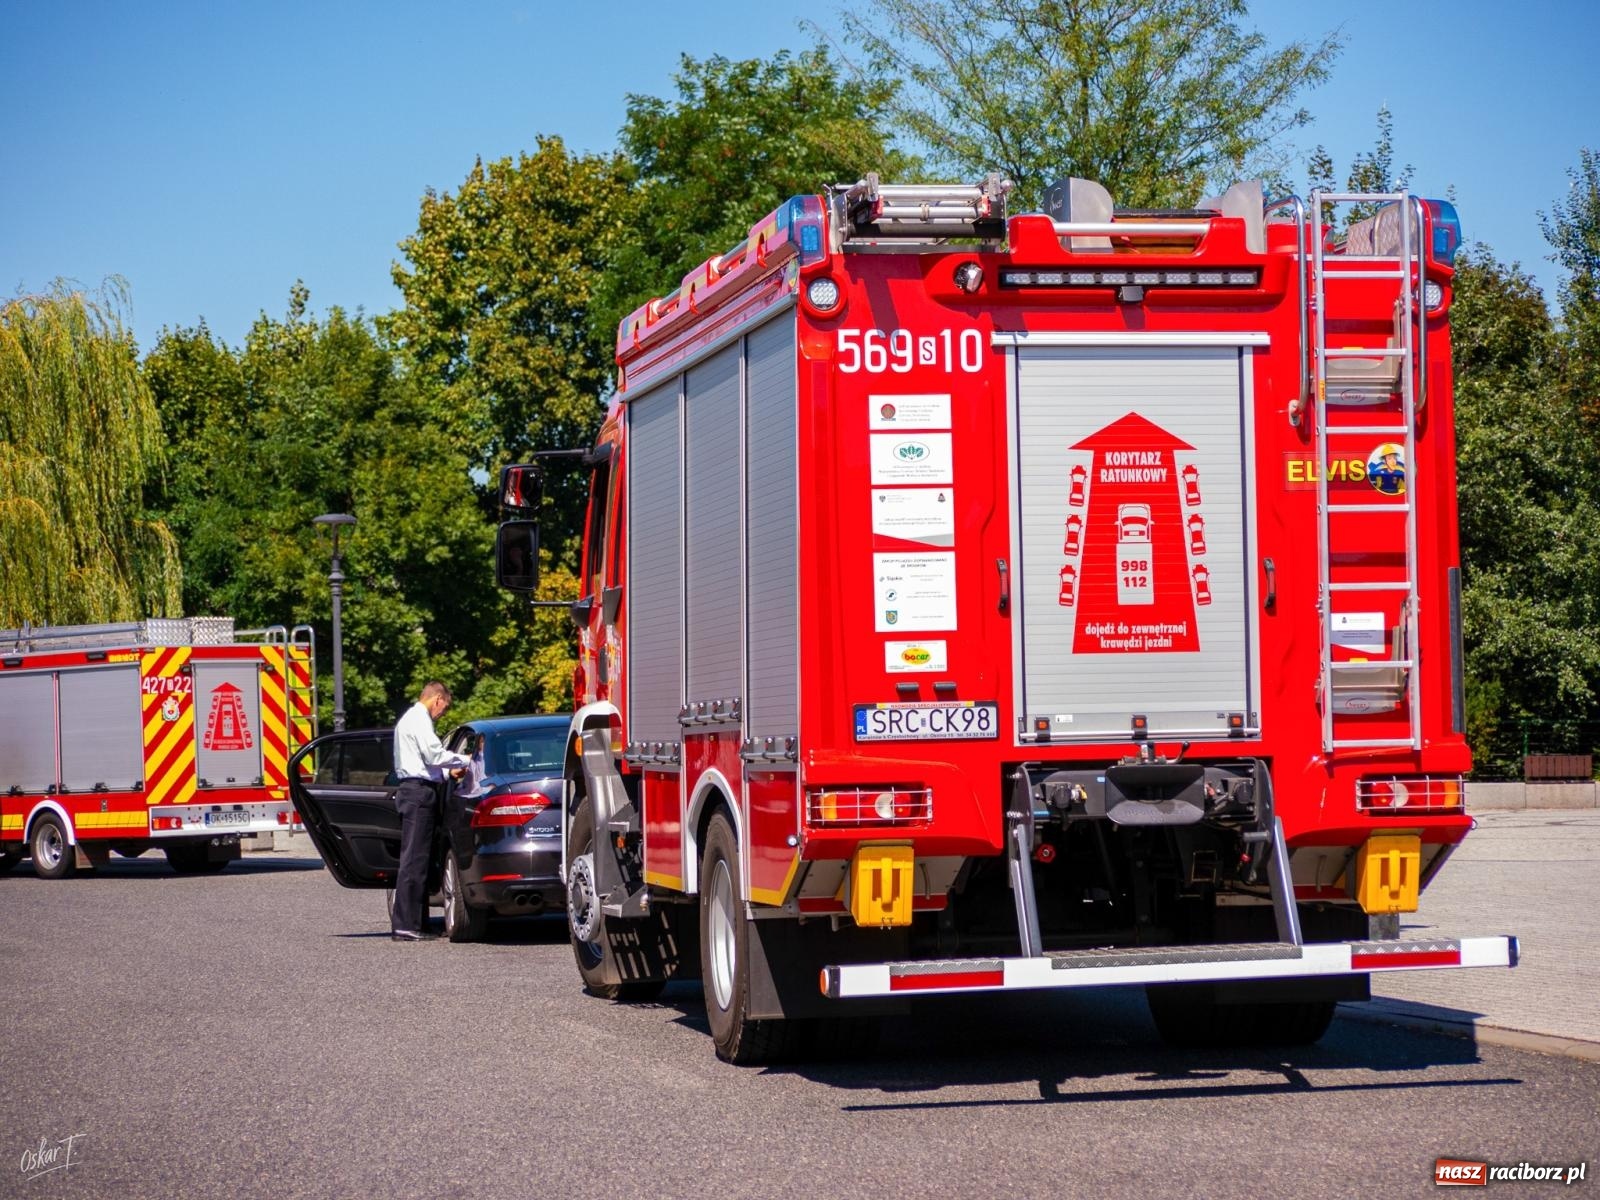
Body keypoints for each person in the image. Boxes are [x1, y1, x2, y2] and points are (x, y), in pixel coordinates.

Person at [390, 681, 469, 941]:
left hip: (416, 790)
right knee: (414, 861)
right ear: (437, 699)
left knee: (419, 860)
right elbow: (434, 755)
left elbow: (425, 763)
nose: (442, 713)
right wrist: (468, 760)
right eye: (443, 708)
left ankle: (416, 922)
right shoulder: (419, 719)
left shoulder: (411, 719)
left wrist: (447, 773)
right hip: (418, 794)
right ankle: (405, 925)